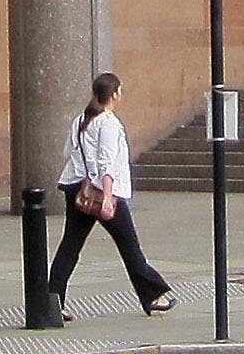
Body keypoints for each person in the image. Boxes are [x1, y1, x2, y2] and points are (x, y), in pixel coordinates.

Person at [48, 72, 174, 320]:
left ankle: (52, 300)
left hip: (77, 189)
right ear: (114, 94)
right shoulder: (108, 123)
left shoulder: (80, 120)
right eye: (120, 90)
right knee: (130, 247)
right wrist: (107, 196)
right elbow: (106, 163)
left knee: (70, 245)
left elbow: (68, 152)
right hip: (102, 191)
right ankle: (152, 295)